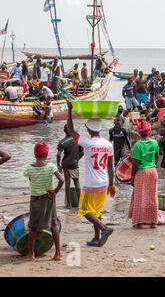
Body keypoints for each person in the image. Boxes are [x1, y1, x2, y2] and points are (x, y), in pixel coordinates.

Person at [66, 101, 116, 247]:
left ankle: (105, 229)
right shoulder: (108, 144)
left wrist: (69, 110)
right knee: (96, 211)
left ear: (88, 129)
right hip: (104, 182)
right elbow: (110, 166)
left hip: (91, 184)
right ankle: (96, 238)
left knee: (84, 210)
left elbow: (70, 130)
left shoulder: (87, 143)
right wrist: (111, 184)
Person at [23, 142, 64, 261]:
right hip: (49, 197)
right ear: (46, 154)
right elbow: (61, 180)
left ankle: (31, 254)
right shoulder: (51, 167)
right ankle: (57, 254)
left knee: (33, 226)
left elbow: (31, 180)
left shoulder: (29, 168)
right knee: (53, 224)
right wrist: (55, 191)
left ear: (35, 154)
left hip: (35, 199)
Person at [129, 121, 159, 228]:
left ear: (138, 132)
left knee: (140, 196)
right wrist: (154, 166)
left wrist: (132, 177)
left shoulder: (137, 145)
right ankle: (153, 221)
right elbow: (157, 156)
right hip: (153, 170)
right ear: (149, 132)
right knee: (152, 196)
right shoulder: (154, 143)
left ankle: (140, 222)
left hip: (142, 172)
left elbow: (135, 163)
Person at [57, 125, 84, 209]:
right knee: (76, 183)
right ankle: (80, 204)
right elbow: (82, 152)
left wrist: (58, 165)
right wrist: (77, 159)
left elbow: (58, 154)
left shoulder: (62, 141)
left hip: (65, 164)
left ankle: (69, 204)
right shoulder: (77, 140)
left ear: (64, 131)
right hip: (74, 164)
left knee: (67, 184)